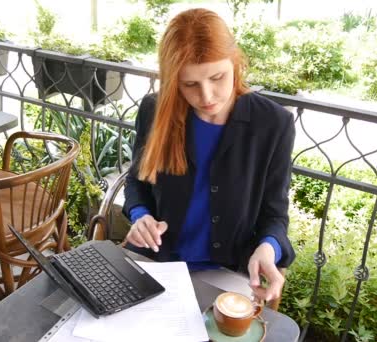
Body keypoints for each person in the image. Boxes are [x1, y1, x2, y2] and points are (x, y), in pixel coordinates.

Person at [123, 8, 295, 302]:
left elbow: (274, 214)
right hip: (156, 260)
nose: (207, 96)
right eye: (189, 84)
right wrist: (141, 216)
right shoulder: (155, 110)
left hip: (226, 271)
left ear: (236, 63)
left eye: (217, 77)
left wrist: (268, 248)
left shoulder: (273, 124)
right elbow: (137, 183)